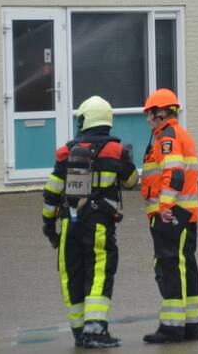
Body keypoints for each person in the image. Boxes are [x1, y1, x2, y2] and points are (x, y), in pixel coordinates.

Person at [41, 96, 138, 349]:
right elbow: (131, 182)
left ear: (84, 120)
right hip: (98, 225)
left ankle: (79, 331)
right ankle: (95, 329)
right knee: (99, 273)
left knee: (71, 275)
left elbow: (52, 192)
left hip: (68, 225)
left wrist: (49, 224)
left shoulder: (66, 152)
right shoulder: (116, 151)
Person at [140, 89, 198, 344]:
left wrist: (164, 207)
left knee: (170, 266)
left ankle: (172, 327)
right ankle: (189, 325)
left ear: (161, 112)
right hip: (183, 213)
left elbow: (174, 174)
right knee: (185, 265)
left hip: (171, 214)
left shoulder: (168, 137)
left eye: (150, 114)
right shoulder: (176, 135)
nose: (147, 119)